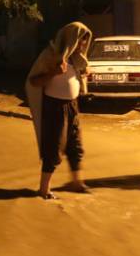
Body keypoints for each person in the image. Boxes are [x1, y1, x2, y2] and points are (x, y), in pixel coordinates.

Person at [25, 22, 92, 199]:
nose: (83, 45)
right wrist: (53, 72)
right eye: (80, 41)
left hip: (72, 106)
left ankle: (76, 182)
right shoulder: (51, 55)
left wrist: (84, 75)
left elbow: (76, 77)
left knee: (75, 145)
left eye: (85, 42)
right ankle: (43, 189)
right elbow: (34, 82)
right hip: (54, 107)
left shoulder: (78, 59)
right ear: (71, 38)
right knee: (53, 147)